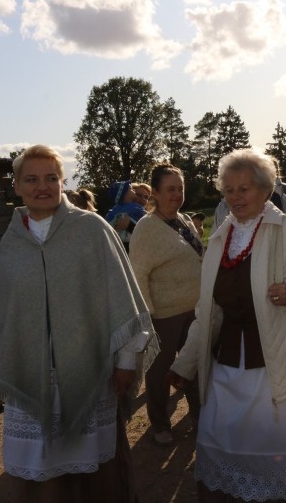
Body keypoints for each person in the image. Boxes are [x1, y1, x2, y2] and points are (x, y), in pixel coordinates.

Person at [0, 145, 159, 503]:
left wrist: (124, 362)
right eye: (31, 179)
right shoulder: (12, 239)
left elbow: (119, 299)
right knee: (42, 469)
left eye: (50, 178)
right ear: (17, 186)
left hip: (88, 367)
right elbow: (8, 314)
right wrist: (1, 377)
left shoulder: (91, 229)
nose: (41, 186)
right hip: (31, 371)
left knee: (95, 468)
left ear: (62, 182)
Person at [168, 149, 286, 502]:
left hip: (285, 366)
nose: (235, 197)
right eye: (229, 190)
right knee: (227, 441)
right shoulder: (220, 239)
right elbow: (210, 311)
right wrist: (184, 364)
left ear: (265, 190)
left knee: (283, 448)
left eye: (244, 188)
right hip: (230, 368)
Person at [129, 163, 202, 447]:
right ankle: (160, 424)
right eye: (170, 189)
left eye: (180, 188)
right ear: (155, 193)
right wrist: (146, 318)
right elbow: (138, 274)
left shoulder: (183, 220)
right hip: (163, 314)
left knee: (194, 365)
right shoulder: (147, 229)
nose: (177, 194)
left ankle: (200, 418)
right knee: (159, 373)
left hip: (194, 310)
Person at [105, 180, 147, 251]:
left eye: (146, 197)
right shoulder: (136, 208)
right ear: (125, 194)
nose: (143, 199)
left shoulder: (113, 211)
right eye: (138, 195)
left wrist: (129, 225)